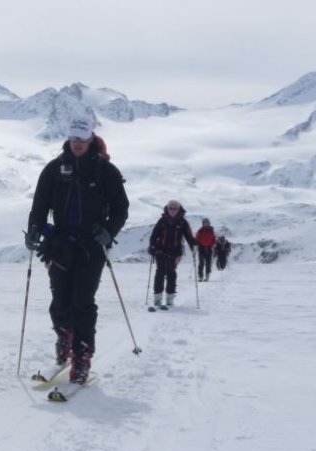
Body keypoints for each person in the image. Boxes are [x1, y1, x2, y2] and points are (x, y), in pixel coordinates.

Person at [24, 116, 129, 385]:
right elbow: (39, 204)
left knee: (82, 302)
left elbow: (120, 208)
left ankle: (81, 356)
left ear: (91, 138)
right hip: (59, 246)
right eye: (73, 139)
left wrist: (109, 231)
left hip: (91, 247)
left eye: (82, 140)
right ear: (68, 139)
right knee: (59, 302)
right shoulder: (53, 170)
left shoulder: (106, 172)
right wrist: (34, 229)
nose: (77, 144)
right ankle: (65, 338)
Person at [148, 200, 197, 307]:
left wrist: (193, 245)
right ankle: (157, 298)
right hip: (160, 250)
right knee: (160, 271)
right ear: (167, 208)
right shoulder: (162, 221)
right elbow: (154, 234)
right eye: (170, 208)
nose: (172, 210)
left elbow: (188, 236)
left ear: (179, 209)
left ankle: (170, 298)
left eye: (175, 209)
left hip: (175, 252)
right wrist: (151, 246)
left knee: (171, 273)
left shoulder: (183, 222)